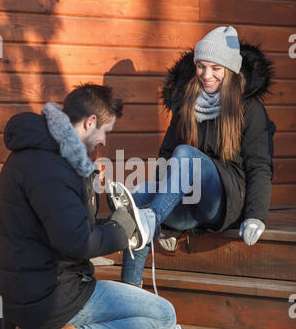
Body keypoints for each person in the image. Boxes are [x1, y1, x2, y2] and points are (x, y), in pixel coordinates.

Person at [0, 83, 195, 329]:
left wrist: (110, 221)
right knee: (162, 315)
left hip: (25, 292)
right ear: (89, 122)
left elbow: (63, 229)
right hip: (53, 296)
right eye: (105, 131)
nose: (104, 140)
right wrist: (120, 230)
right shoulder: (53, 166)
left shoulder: (35, 155)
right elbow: (76, 242)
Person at [117, 26, 276, 288]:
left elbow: (259, 165)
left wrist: (256, 215)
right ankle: (129, 294)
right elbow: (165, 156)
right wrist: (168, 221)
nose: (206, 74)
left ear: (231, 70)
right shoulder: (187, 102)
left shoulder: (249, 108)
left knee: (185, 154)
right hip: (187, 204)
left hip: (222, 201)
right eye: (201, 66)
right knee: (138, 199)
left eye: (215, 68)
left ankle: (152, 221)